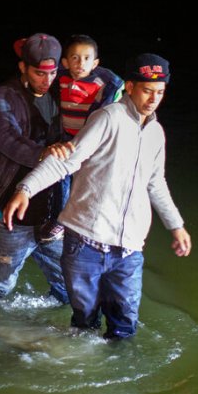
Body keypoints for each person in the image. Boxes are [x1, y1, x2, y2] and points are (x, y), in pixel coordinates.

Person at [2, 53, 192, 340]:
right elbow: (68, 160)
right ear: (129, 87)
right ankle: (82, 376)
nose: (153, 99)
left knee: (124, 327)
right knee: (85, 324)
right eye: (147, 90)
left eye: (160, 92)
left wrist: (176, 226)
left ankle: (119, 380)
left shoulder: (156, 133)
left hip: (128, 250)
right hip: (85, 244)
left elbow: (155, 183)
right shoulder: (108, 118)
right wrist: (25, 189)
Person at [0, 34, 70, 303]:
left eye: (52, 73)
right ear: (23, 68)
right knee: (0, 286)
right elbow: (7, 139)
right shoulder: (5, 95)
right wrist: (44, 152)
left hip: (53, 213)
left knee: (68, 286)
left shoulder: (61, 91)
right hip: (13, 212)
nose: (47, 80)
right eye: (39, 73)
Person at [40, 34, 125, 242]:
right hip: (66, 136)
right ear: (66, 61)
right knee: (61, 178)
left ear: (95, 63)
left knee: (88, 181)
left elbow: (111, 113)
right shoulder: (59, 78)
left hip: (91, 140)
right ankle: (59, 221)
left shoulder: (103, 84)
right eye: (75, 58)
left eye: (87, 58)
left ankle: (89, 222)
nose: (80, 63)